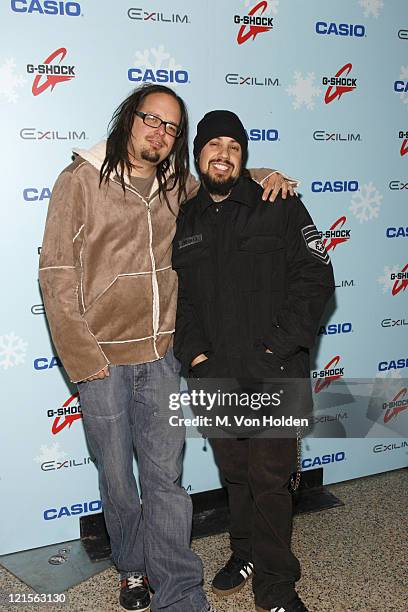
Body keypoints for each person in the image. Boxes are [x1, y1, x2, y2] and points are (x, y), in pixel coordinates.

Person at [39, 85, 296, 612]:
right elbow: (57, 276)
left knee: (165, 481)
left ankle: (179, 593)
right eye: (151, 120)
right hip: (102, 361)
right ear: (128, 120)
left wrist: (265, 174)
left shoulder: (177, 185)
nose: (160, 132)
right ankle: (133, 568)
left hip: (161, 358)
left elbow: (222, 177)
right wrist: (85, 362)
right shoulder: (80, 181)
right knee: (116, 479)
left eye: (172, 127)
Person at [172, 110, 335, 612]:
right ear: (199, 155)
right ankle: (243, 554)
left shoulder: (280, 204)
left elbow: (315, 281)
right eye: (213, 145)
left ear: (245, 157)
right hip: (214, 377)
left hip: (275, 372)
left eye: (234, 146)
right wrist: (197, 359)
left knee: (269, 481)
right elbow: (183, 301)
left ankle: (276, 588)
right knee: (237, 474)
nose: (223, 154)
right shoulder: (188, 219)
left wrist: (276, 349)